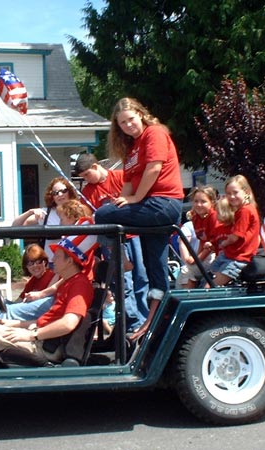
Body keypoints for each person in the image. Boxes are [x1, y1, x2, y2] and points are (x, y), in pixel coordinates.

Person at [94, 98, 184, 340]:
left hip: (163, 203)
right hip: (150, 207)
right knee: (156, 268)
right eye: (122, 123)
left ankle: (119, 258)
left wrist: (133, 200)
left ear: (141, 115)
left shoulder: (154, 133)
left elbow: (154, 168)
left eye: (131, 119)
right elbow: (127, 184)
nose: (128, 125)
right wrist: (121, 202)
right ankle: (154, 326)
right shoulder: (132, 148)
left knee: (101, 215)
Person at [0, 230, 98, 365]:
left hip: (44, 345)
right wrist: (9, 323)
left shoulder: (79, 285)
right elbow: (43, 321)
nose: (52, 260)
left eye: (57, 256)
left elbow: (69, 323)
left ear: (69, 261)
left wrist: (32, 335)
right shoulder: (68, 282)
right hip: (40, 338)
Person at [75, 152, 150, 331]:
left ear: (95, 167)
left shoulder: (121, 177)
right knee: (123, 282)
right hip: (111, 242)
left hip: (134, 235)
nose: (86, 180)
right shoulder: (87, 192)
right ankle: (133, 323)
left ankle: (146, 319)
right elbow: (86, 217)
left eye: (86, 175)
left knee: (141, 277)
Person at [0, 243, 57, 320]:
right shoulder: (32, 281)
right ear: (26, 267)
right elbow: (18, 301)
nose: (35, 266)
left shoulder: (52, 277)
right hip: (27, 312)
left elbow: (46, 303)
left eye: (38, 261)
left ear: (45, 262)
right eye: (30, 263)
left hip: (38, 317)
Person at [208, 175, 260, 286]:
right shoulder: (243, 209)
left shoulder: (245, 210)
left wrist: (223, 243)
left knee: (210, 287)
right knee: (206, 278)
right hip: (228, 255)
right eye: (228, 193)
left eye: (235, 192)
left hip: (238, 259)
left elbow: (235, 236)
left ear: (245, 192)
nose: (231, 196)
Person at [12, 177, 79, 261]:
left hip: (75, 262)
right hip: (53, 263)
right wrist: (30, 212)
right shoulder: (46, 213)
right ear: (52, 196)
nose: (60, 195)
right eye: (55, 193)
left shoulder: (79, 210)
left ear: (70, 191)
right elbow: (15, 226)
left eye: (64, 191)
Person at [178, 186, 218, 289]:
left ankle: (187, 299)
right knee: (186, 271)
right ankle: (186, 298)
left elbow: (212, 244)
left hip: (217, 254)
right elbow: (202, 240)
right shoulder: (196, 218)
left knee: (187, 271)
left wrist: (198, 259)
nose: (199, 205)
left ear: (212, 203)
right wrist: (197, 257)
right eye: (196, 201)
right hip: (206, 253)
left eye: (203, 201)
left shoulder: (214, 217)